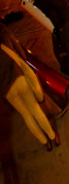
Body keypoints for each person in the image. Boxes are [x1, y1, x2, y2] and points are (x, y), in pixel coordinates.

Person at [0, 22, 60, 151]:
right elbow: (21, 54)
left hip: (6, 90)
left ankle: (45, 142)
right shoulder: (4, 34)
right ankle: (52, 135)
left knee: (26, 115)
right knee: (35, 109)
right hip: (18, 78)